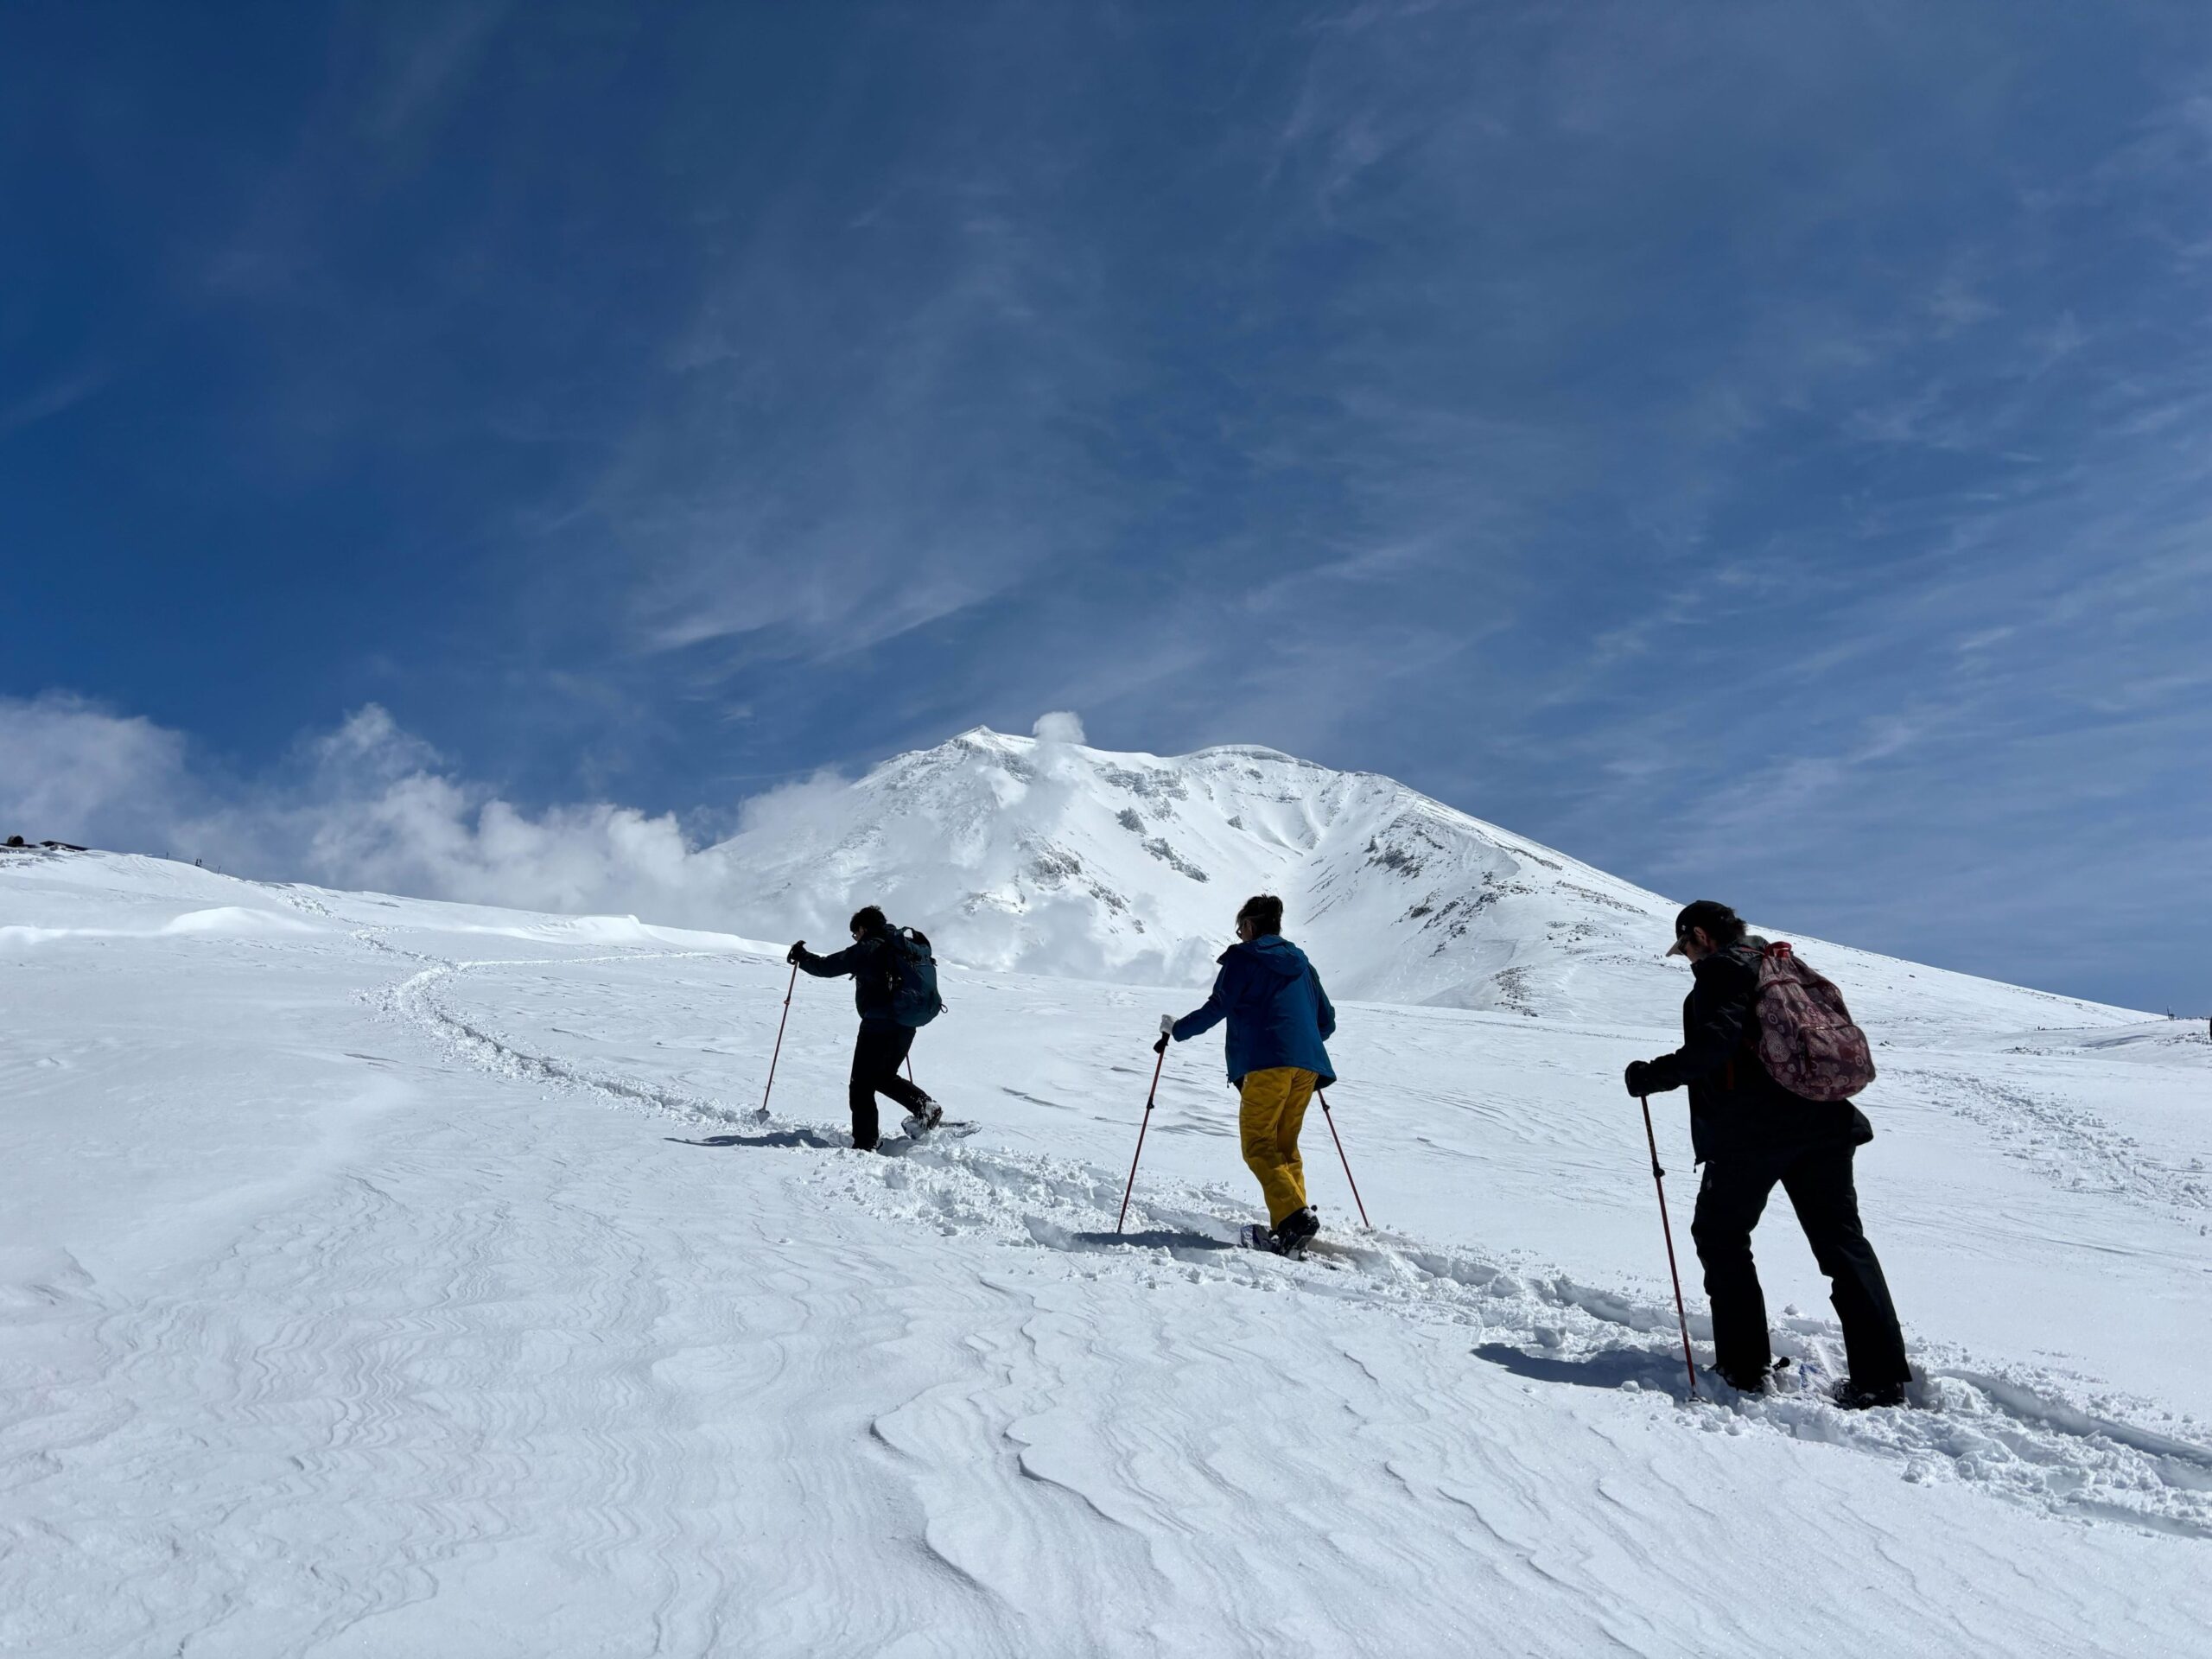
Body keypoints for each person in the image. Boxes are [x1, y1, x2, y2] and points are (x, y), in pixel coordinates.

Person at [1624, 900, 1911, 1409]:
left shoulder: (1721, 972)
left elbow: (1714, 1048)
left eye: (1686, 947)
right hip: (1826, 1123)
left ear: (1701, 937)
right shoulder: (1778, 964)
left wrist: (1651, 1076)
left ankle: (1743, 1367)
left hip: (1752, 1134)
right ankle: (1881, 1378)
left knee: (1720, 1237)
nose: (1687, 959)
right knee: (1843, 1246)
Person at [1160, 894, 1337, 1254]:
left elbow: (1218, 1007)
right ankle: (1291, 1226)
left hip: (1266, 1064)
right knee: (1285, 1146)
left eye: (1241, 927)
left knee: (1257, 1143)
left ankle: (1294, 1219)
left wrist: (1176, 1030)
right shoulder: (1302, 963)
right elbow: (1327, 1021)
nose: (1239, 934)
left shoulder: (1244, 958)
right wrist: (1298, 1042)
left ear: (1252, 926)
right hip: (1307, 1067)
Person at [789, 906, 943, 1152]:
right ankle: (925, 1108)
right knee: (883, 1077)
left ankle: (866, 1143)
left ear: (862, 928)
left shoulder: (870, 947)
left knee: (861, 1085)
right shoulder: (900, 945)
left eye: (855, 934)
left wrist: (802, 957)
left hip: (878, 1026)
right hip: (906, 1024)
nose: (855, 938)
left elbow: (829, 967)